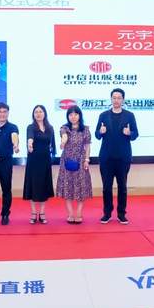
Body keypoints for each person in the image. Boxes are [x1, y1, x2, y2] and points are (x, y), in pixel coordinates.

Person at [95, 88, 138, 224]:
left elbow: (136, 134)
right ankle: (107, 213)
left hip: (123, 158)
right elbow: (96, 135)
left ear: (123, 100)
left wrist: (129, 133)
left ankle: (121, 214)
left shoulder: (129, 115)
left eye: (119, 98)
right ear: (111, 99)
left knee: (122, 187)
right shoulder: (103, 115)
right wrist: (100, 132)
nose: (116, 100)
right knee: (106, 187)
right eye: (114, 97)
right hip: (106, 158)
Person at [56, 105, 92, 224]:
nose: (73, 117)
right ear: (68, 116)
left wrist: (87, 159)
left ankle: (79, 213)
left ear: (80, 115)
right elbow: (64, 136)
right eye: (70, 114)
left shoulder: (85, 129)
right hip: (66, 161)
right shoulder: (64, 128)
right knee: (67, 187)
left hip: (81, 161)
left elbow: (87, 146)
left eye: (76, 114)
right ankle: (70, 213)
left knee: (81, 187)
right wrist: (63, 142)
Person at [23, 105, 56, 224]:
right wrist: (30, 144)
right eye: (36, 112)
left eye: (40, 111)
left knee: (44, 186)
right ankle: (33, 213)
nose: (38, 114)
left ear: (44, 113)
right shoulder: (31, 127)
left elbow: (52, 144)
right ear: (33, 114)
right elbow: (30, 138)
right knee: (33, 185)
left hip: (45, 160)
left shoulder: (50, 128)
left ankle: (42, 213)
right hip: (33, 160)